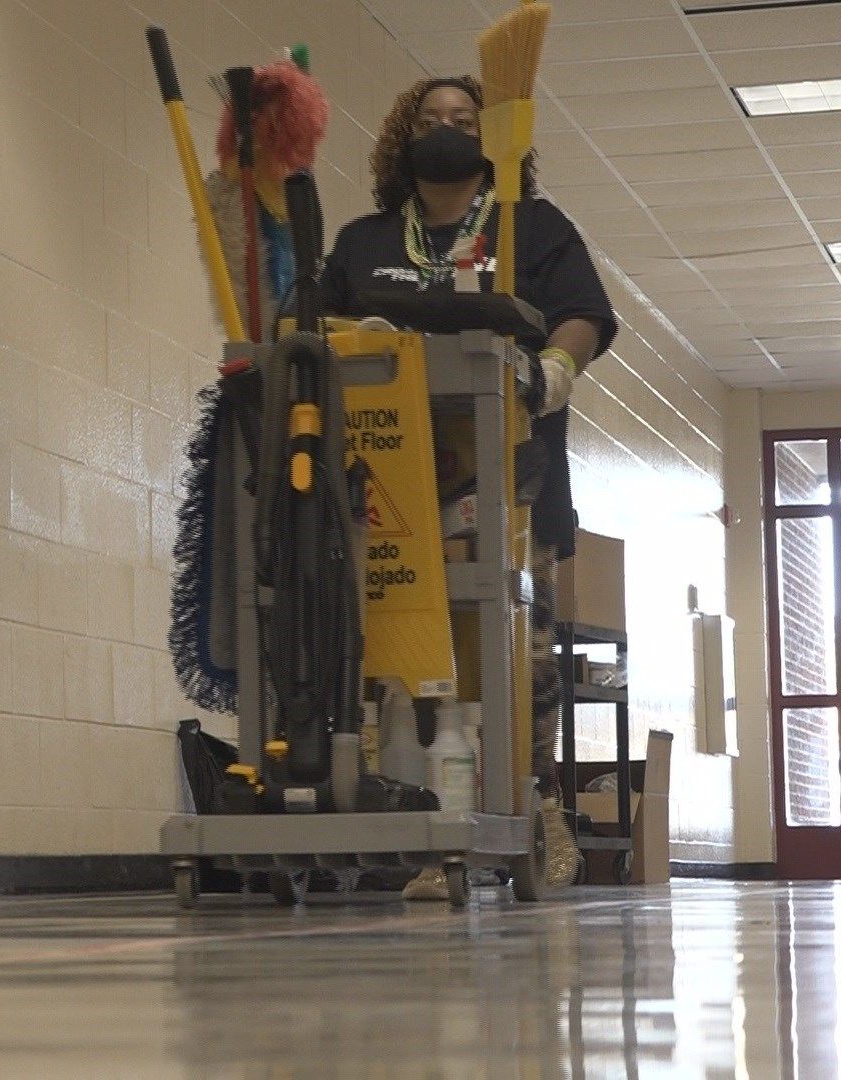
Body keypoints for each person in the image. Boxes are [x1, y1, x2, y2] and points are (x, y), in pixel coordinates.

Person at [318, 75, 618, 901]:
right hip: (389, 474)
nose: (446, 129)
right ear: (401, 135)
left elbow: (584, 313)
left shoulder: (533, 229)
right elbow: (316, 323)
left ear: (493, 139)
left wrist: (556, 367)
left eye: (463, 119)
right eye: (430, 118)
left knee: (521, 654)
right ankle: (407, 818)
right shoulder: (363, 241)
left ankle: (537, 808)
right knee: (399, 651)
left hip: (511, 477)